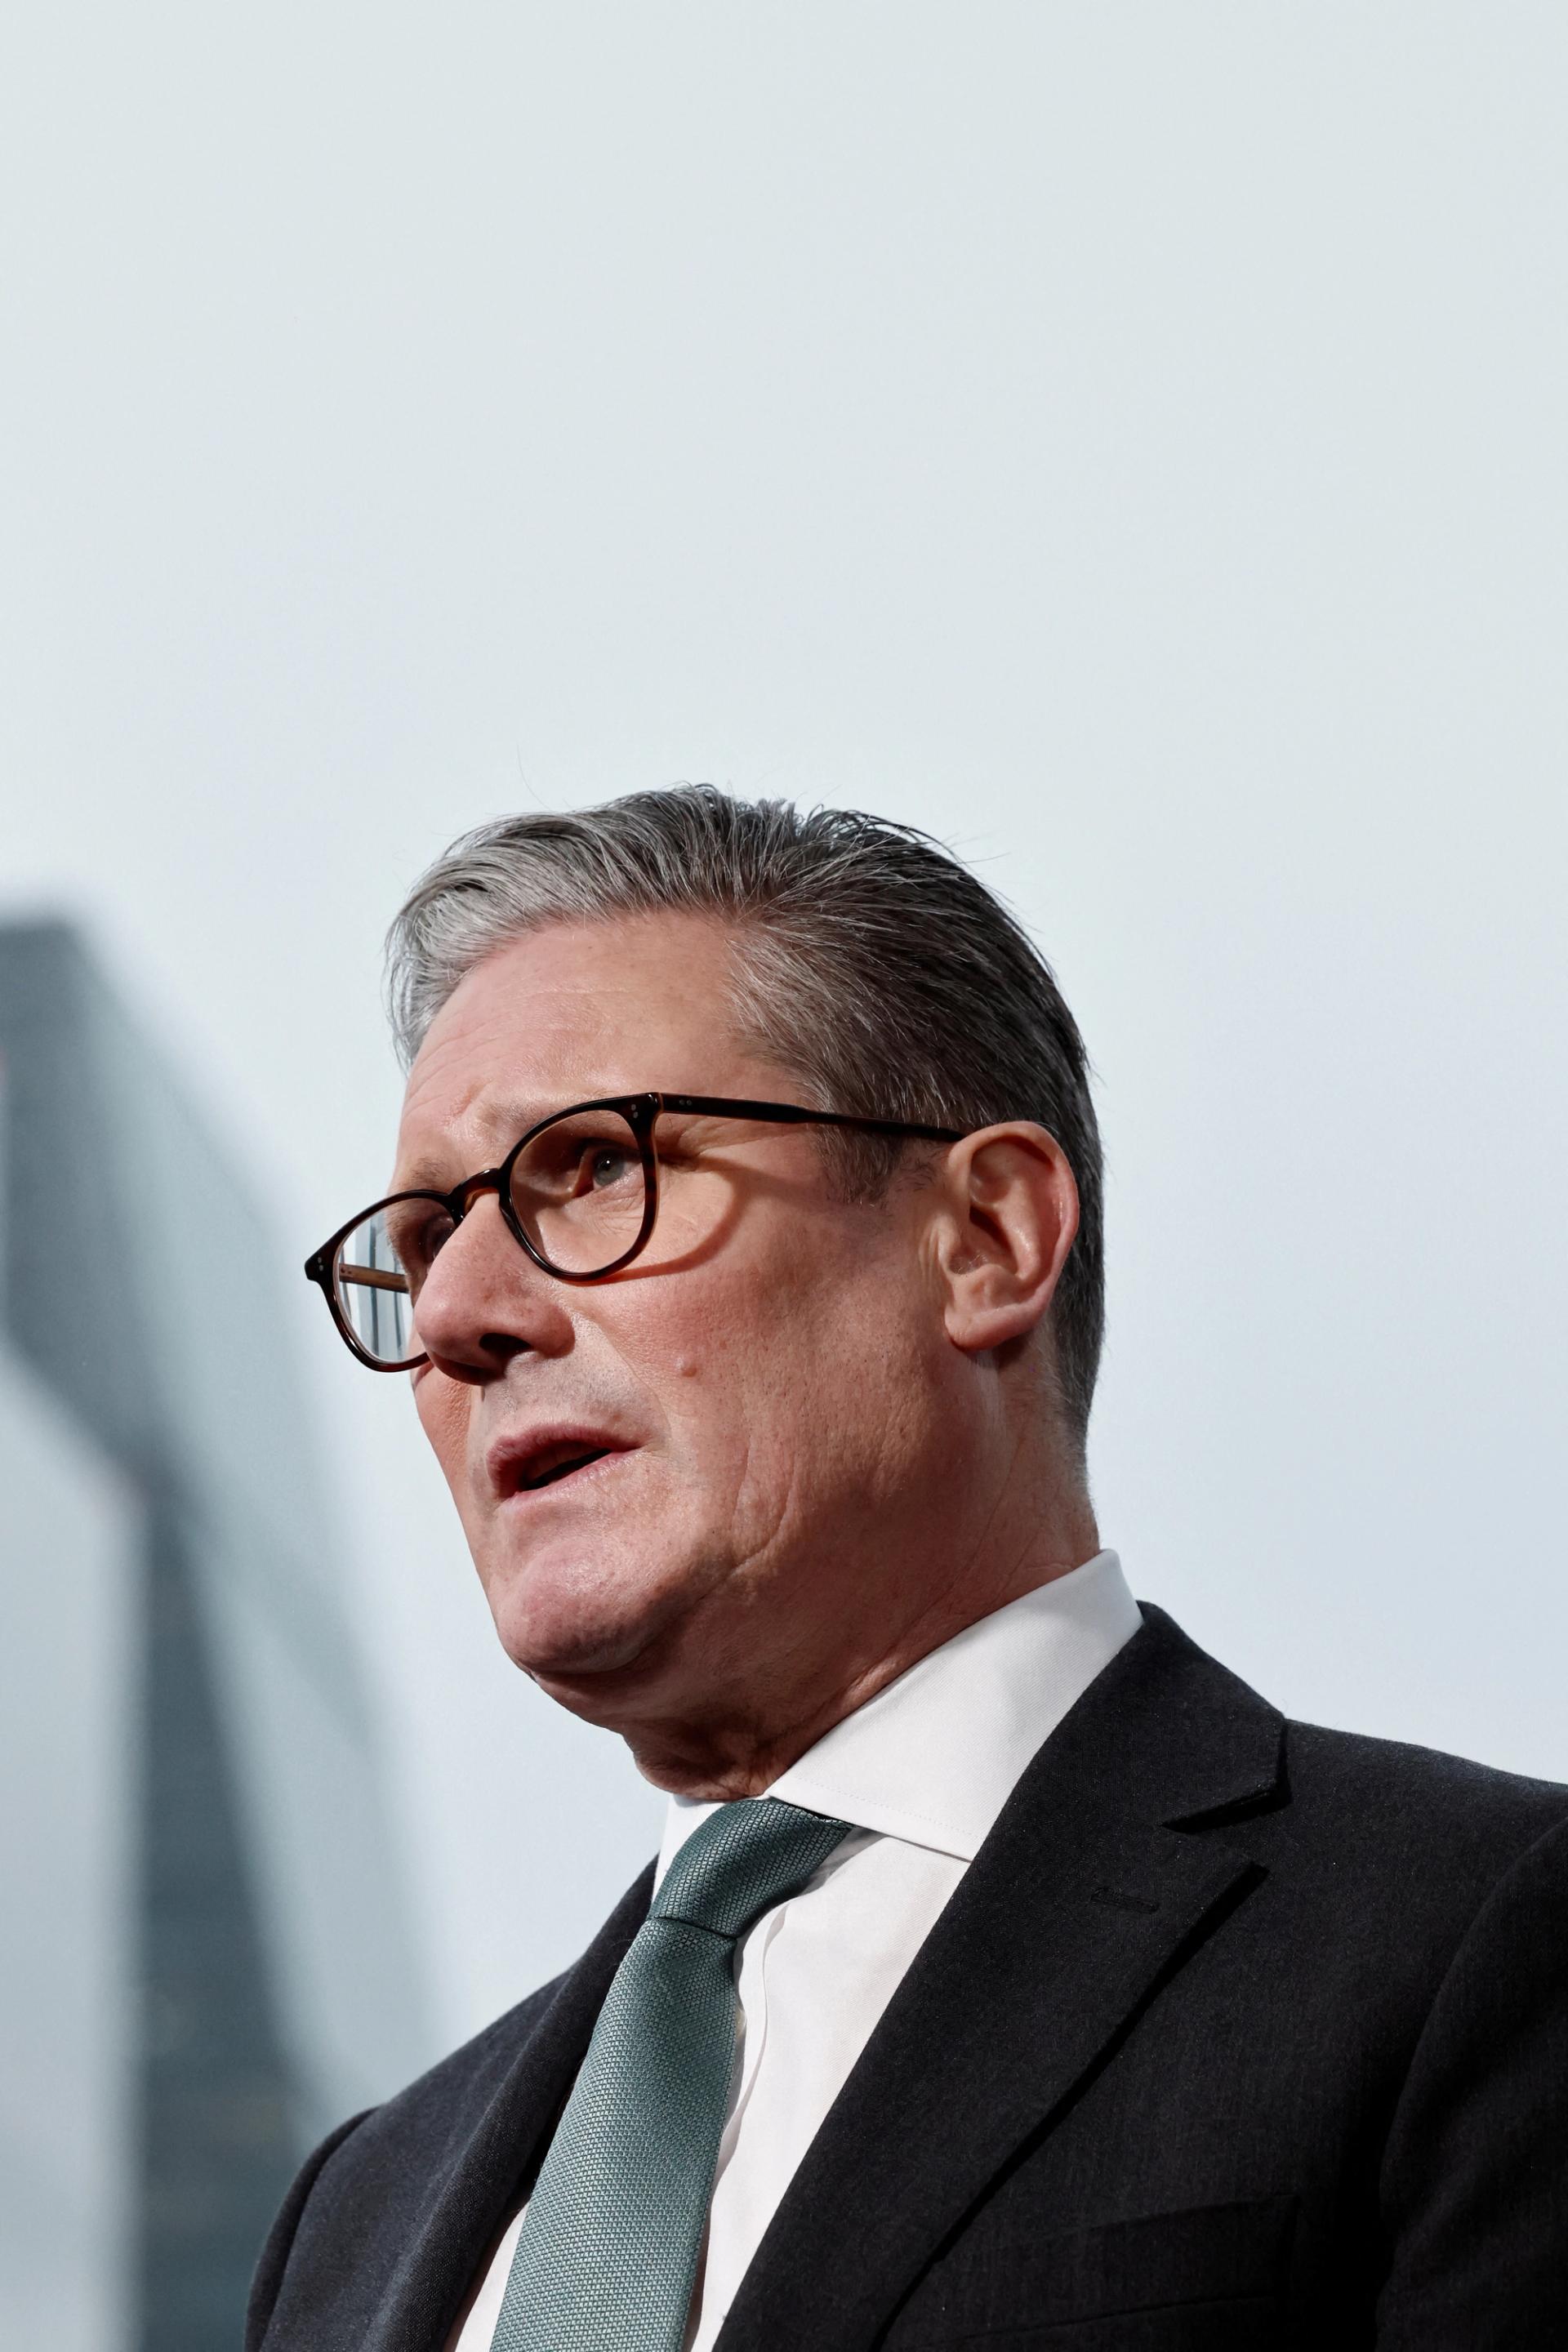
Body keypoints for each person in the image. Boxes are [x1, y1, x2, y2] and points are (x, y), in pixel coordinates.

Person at [254, 787, 1568, 2350]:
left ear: (988, 1237)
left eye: (592, 1168)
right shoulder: (360, 2208)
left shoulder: (1473, 1945)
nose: (464, 1310)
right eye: (416, 1243)